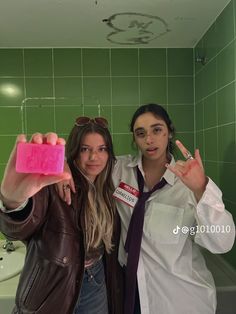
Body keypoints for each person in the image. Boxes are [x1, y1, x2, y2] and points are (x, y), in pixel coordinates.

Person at [58, 104, 235, 314]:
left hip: (180, 299)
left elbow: (223, 242)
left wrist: (200, 189)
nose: (149, 139)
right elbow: (87, 161)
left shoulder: (190, 183)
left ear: (169, 132)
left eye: (157, 130)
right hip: (129, 295)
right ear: (134, 139)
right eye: (141, 133)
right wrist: (62, 165)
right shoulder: (118, 170)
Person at [0, 117, 124, 314]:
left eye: (102, 149)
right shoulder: (55, 185)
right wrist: (12, 202)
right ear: (74, 151)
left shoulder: (107, 188)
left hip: (96, 280)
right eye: (85, 149)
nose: (94, 157)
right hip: (55, 285)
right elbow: (19, 225)